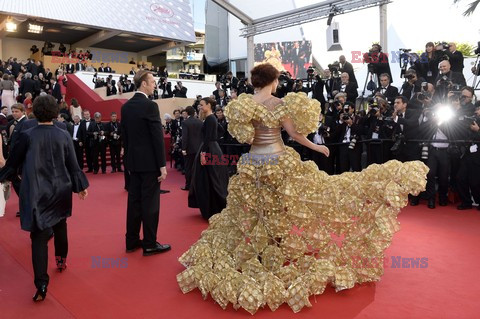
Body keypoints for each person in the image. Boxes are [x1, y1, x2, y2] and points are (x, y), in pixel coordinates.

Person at [177, 63, 428, 314]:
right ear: (273, 81)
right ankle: (271, 247)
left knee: (258, 210)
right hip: (276, 161)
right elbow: (295, 135)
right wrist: (318, 147)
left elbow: (246, 137)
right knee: (285, 203)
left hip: (252, 163)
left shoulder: (243, 104)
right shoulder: (278, 104)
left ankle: (267, 248)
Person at [0, 95, 88, 301]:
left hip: (37, 192)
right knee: (60, 226)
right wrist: (81, 186)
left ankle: (41, 285)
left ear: (34, 111)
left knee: (38, 238)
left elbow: (13, 163)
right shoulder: (64, 134)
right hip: (61, 189)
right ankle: (61, 260)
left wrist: (3, 177)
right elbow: (73, 164)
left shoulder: (27, 134)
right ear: (55, 112)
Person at [121, 70, 170, 256]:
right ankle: (149, 243)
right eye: (152, 82)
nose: (155, 85)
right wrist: (162, 165)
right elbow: (157, 138)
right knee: (150, 204)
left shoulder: (126, 107)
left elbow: (125, 137)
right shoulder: (150, 106)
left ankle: (131, 241)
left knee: (134, 202)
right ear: (143, 84)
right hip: (150, 165)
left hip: (133, 164)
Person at [187, 97, 229, 220]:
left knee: (209, 178)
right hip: (213, 148)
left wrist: (204, 153)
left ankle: (213, 207)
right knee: (210, 178)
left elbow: (208, 138)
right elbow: (221, 131)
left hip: (209, 149)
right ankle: (213, 207)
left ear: (209, 105)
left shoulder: (210, 119)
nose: (200, 107)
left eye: (202, 105)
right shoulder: (212, 118)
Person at [181, 106, 202, 191]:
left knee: (188, 167)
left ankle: (188, 185)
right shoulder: (200, 122)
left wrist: (184, 148)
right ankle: (197, 185)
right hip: (198, 148)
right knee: (197, 167)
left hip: (189, 149)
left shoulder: (185, 122)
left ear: (187, 112)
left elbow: (185, 137)